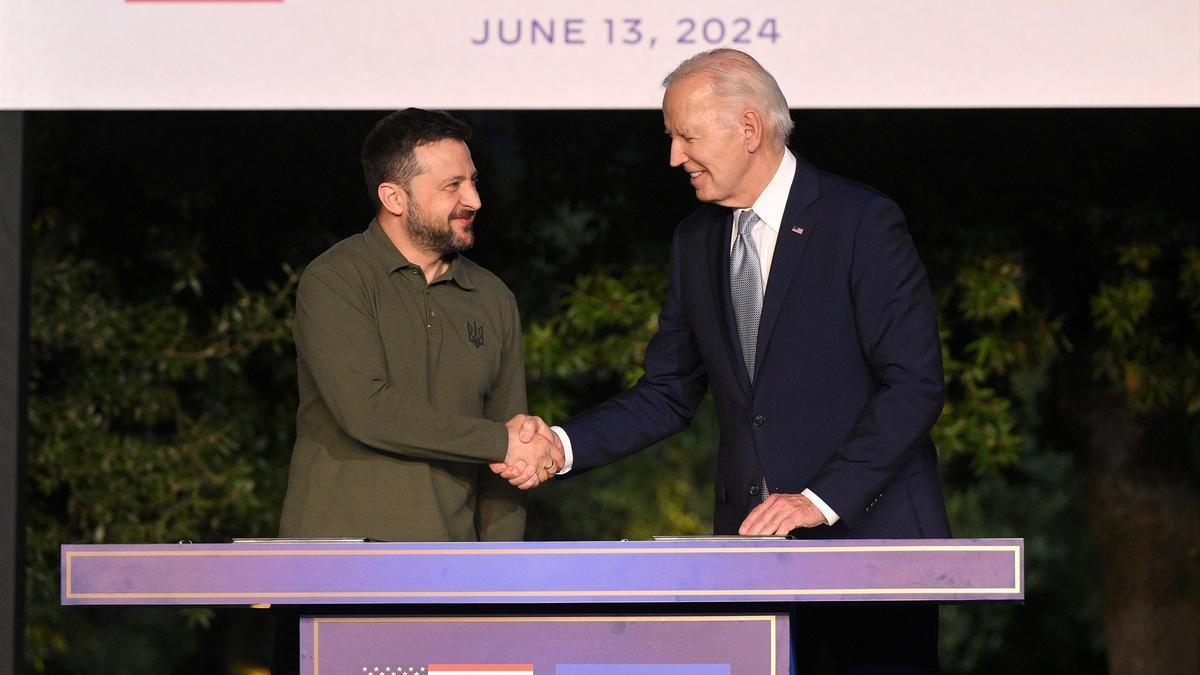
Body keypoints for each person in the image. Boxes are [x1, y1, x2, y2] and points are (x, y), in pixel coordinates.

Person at [498, 49, 950, 673]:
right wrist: (561, 446)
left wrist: (817, 500)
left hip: (870, 545)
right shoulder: (695, 240)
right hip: (753, 559)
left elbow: (915, 385)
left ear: (749, 128)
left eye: (686, 136)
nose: (674, 157)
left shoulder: (861, 221)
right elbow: (667, 392)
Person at [279, 108, 561, 544]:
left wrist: (503, 578)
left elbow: (510, 463)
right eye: (453, 186)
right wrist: (501, 443)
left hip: (452, 571)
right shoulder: (335, 279)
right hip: (335, 565)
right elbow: (368, 410)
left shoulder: (493, 298)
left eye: (473, 181)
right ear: (394, 198)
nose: (474, 200)